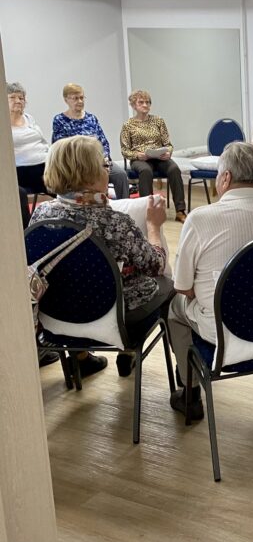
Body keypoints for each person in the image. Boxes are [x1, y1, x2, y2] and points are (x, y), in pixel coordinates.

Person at [168, 142, 253, 418]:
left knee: (173, 309)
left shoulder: (200, 219)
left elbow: (183, 287)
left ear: (226, 177)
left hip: (226, 334)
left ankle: (190, 393)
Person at [30, 135, 173, 379]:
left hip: (54, 317)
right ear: (89, 174)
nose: (108, 169)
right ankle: (169, 373)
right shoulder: (114, 222)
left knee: (73, 280)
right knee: (169, 286)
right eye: (104, 164)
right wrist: (153, 227)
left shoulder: (40, 215)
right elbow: (156, 265)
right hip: (113, 320)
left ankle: (82, 360)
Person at [51, 83, 129, 200]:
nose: (80, 101)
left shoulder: (91, 118)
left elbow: (103, 141)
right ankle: (94, 205)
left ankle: (123, 205)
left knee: (120, 175)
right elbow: (61, 147)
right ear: (66, 100)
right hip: (77, 164)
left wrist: (105, 159)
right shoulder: (59, 120)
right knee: (89, 178)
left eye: (82, 98)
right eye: (75, 98)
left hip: (98, 161)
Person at [120, 89, 187, 222]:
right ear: (133, 105)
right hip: (140, 159)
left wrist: (168, 152)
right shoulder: (128, 125)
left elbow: (168, 144)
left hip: (159, 157)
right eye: (141, 102)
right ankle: (148, 211)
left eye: (148, 102)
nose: (145, 105)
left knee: (174, 169)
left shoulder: (158, 121)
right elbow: (124, 150)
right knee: (146, 171)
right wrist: (137, 155)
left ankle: (180, 211)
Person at [8, 82, 50, 197]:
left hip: (45, 165)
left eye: (21, 98)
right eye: (12, 97)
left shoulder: (29, 118)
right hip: (21, 171)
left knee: (67, 180)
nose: (18, 101)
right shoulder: (3, 124)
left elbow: (41, 141)